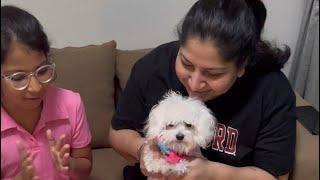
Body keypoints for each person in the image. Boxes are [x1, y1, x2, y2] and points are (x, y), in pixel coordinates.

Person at [109, 0, 297, 179]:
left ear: (242, 66)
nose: (195, 84)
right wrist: (142, 149)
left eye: (213, 74)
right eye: (186, 64)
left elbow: (275, 175)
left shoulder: (272, 90)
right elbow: (118, 132)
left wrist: (212, 173)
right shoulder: (152, 67)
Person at [1, 5, 92, 180]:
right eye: (19, 77)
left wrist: (70, 165)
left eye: (42, 71)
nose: (36, 87)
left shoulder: (71, 103)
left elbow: (85, 168)